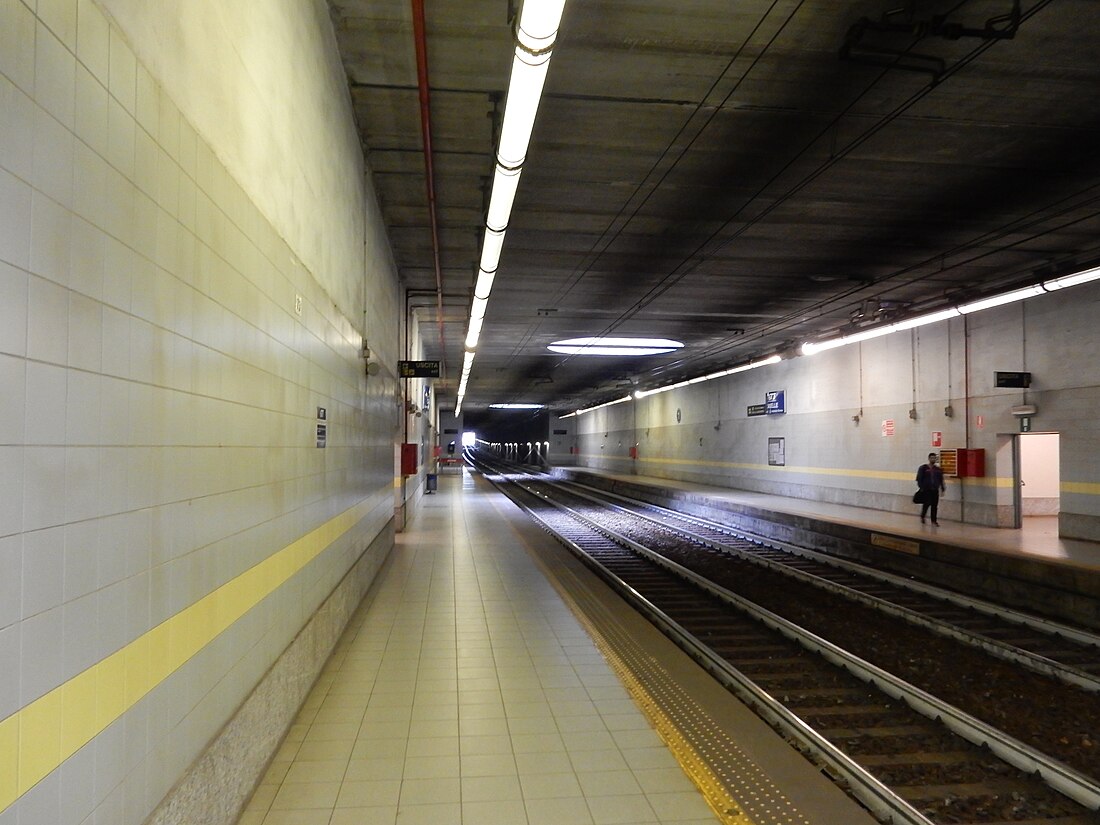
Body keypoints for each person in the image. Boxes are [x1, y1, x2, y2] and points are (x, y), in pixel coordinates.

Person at [916, 452, 946, 524]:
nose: (933, 459)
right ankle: (923, 516)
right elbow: (919, 478)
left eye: (934, 458)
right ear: (929, 459)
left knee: (934, 505)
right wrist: (922, 487)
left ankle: (934, 520)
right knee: (926, 504)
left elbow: (941, 479)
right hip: (926, 490)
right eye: (932, 458)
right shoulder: (923, 468)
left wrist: (942, 488)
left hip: (935, 490)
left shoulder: (938, 470)